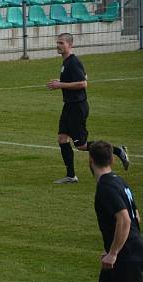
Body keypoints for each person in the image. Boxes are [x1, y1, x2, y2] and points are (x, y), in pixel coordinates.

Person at [46, 33, 129, 184]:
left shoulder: (73, 61)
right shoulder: (66, 61)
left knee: (81, 145)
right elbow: (83, 77)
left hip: (77, 107)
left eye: (61, 43)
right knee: (62, 139)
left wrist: (60, 85)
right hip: (69, 106)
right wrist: (61, 81)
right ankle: (71, 176)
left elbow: (83, 83)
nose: (58, 45)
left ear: (70, 45)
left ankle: (118, 151)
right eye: (57, 43)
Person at [91, 140, 143, 282]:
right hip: (126, 249)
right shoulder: (120, 181)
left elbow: (125, 220)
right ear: (112, 159)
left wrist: (113, 252)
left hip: (124, 255)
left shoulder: (105, 187)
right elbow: (136, 216)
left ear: (90, 161)